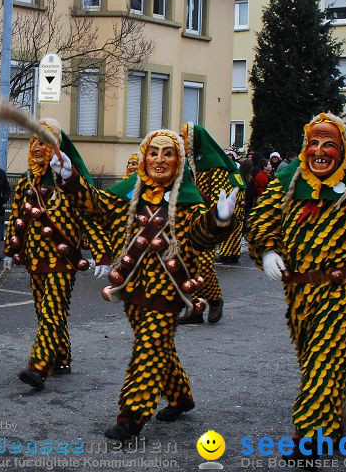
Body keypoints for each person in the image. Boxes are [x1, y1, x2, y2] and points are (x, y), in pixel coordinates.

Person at [56, 127, 236, 439]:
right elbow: (96, 205)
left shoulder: (188, 201)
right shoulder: (131, 194)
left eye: (167, 153)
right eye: (154, 152)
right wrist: (70, 178)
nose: (159, 159)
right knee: (155, 344)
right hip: (132, 287)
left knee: (149, 348)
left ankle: (131, 417)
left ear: (178, 160)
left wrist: (219, 219)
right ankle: (181, 397)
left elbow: (199, 238)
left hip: (169, 289)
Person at [247, 113, 346, 457]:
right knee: (316, 364)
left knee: (324, 361)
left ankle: (311, 440)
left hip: (341, 293)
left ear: (342, 150)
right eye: (314, 143)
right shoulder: (289, 182)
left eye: (328, 144)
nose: (319, 151)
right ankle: (330, 427)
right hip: (299, 294)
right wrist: (268, 249)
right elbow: (263, 218)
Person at [4, 119, 109, 391]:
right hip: (34, 260)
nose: (38, 147)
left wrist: (101, 253)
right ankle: (61, 357)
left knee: (51, 311)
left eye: (45, 142)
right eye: (34, 141)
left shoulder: (69, 182)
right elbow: (15, 217)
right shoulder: (26, 182)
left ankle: (38, 367)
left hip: (63, 261)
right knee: (46, 312)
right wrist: (10, 250)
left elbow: (90, 218)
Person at [177, 124, 244, 325]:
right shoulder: (188, 163)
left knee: (203, 265)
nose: (181, 138)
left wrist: (213, 218)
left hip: (206, 222)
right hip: (188, 220)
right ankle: (195, 310)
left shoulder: (215, 166)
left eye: (184, 136)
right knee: (188, 267)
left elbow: (219, 197)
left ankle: (215, 300)